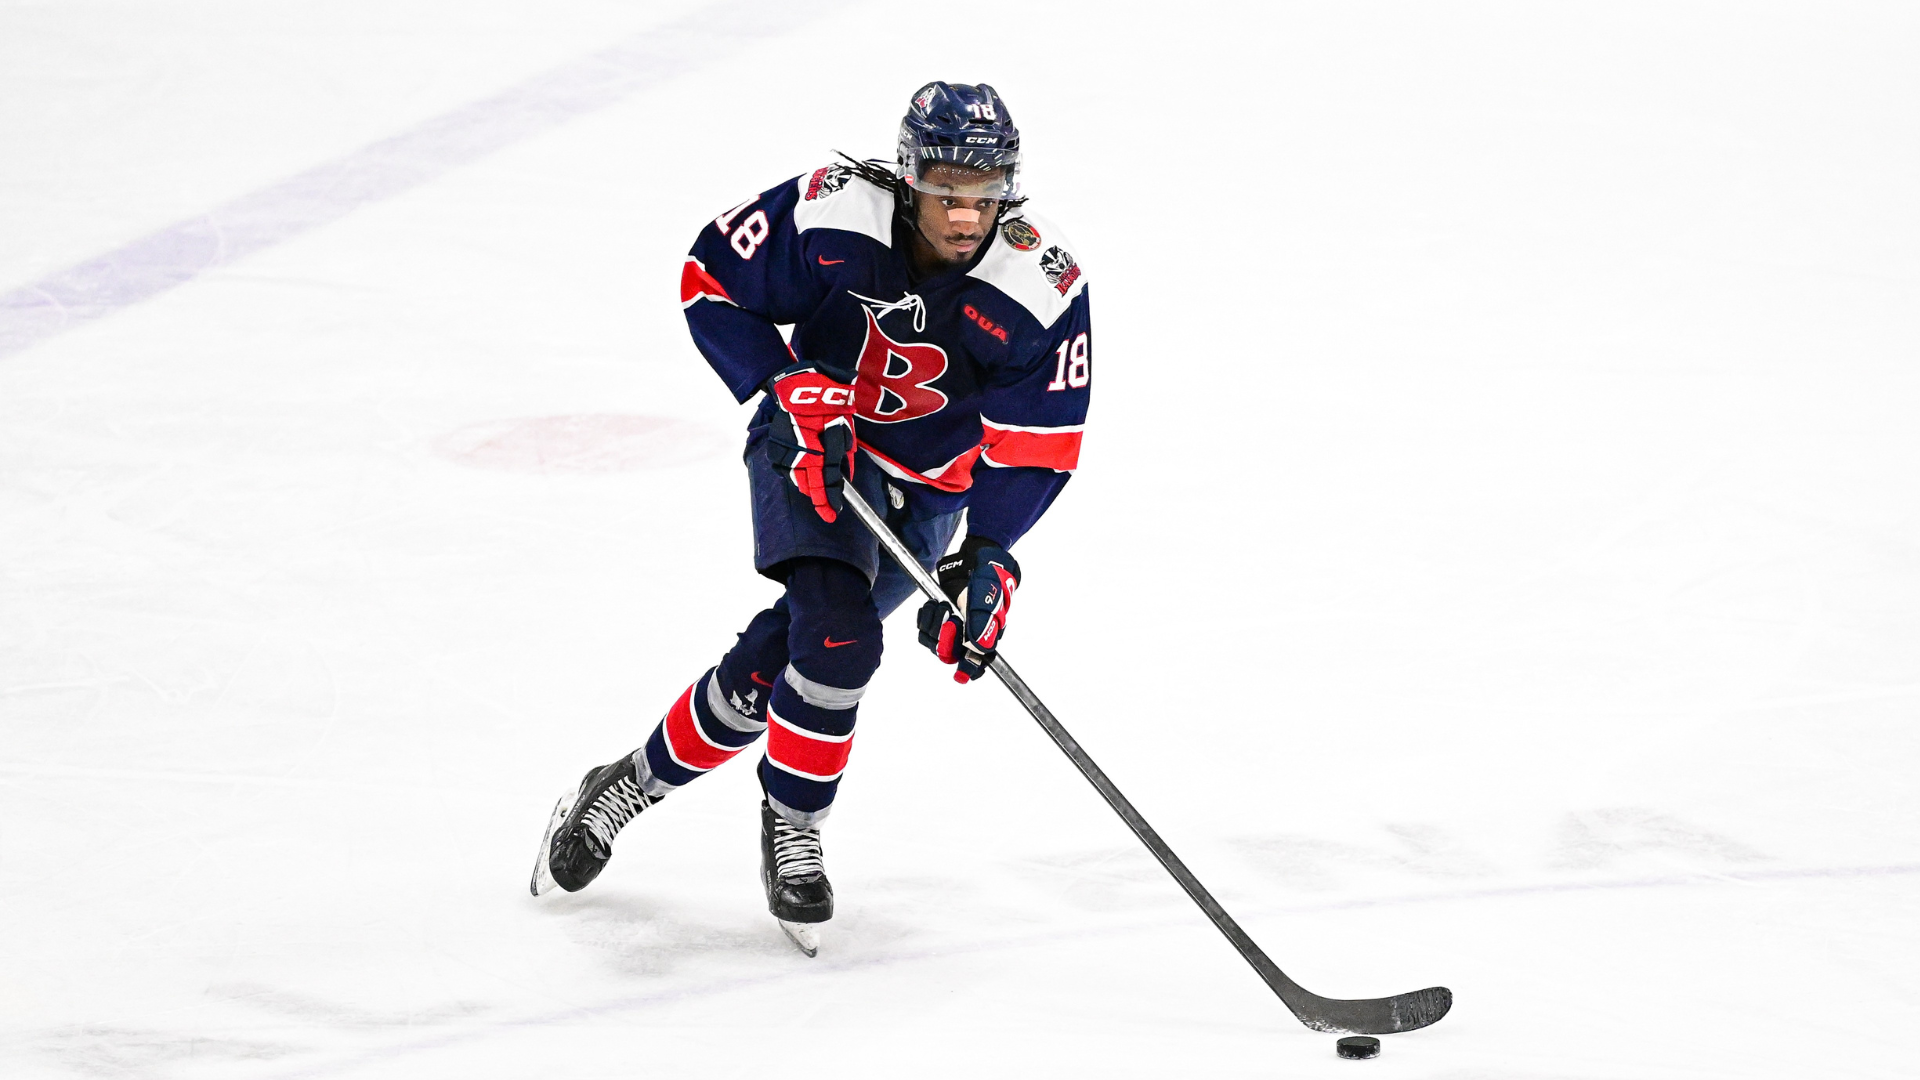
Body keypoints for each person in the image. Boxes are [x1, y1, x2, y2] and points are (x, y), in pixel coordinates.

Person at [530, 81, 1092, 954]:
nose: (965, 216)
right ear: (909, 177)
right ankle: (794, 826)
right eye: (947, 191)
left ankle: (629, 782)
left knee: (791, 654)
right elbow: (710, 278)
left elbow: (1038, 445)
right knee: (838, 639)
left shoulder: (1040, 284)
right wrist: (786, 380)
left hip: (928, 495)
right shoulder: (837, 213)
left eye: (985, 194)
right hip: (812, 447)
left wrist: (988, 554)